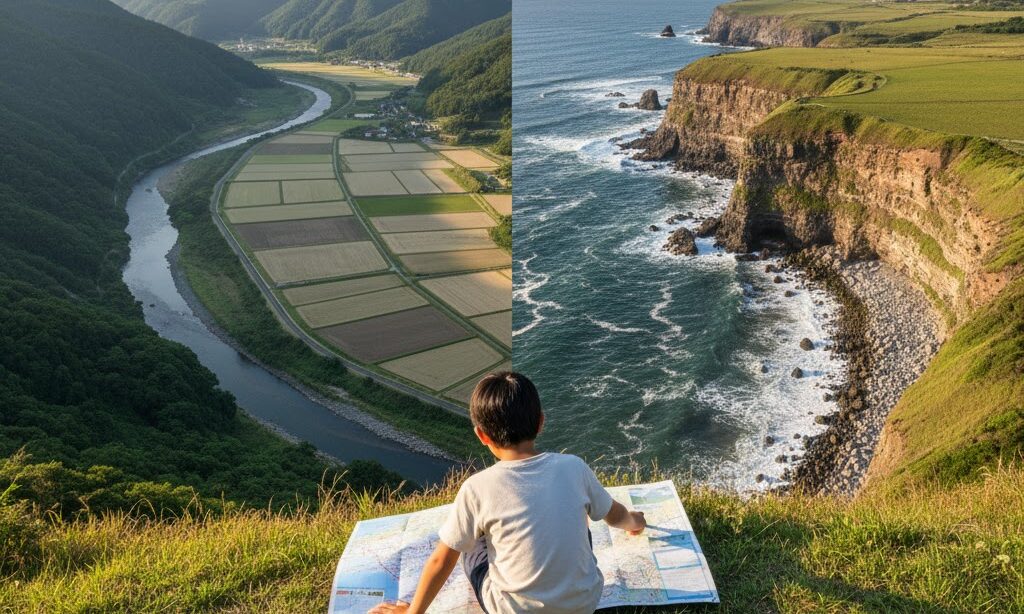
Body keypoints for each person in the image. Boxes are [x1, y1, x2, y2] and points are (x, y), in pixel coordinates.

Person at [369, 371, 647, 614]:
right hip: (583, 604)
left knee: (472, 544)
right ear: (540, 422)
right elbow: (615, 515)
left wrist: (412, 612)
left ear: (481, 435)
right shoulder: (574, 467)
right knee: (578, 516)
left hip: (511, 610)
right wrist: (636, 521)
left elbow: (442, 559)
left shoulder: (476, 488)